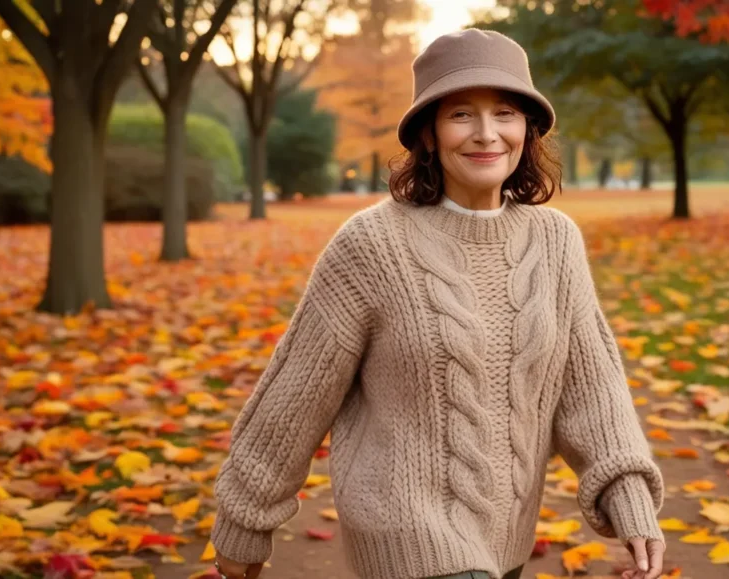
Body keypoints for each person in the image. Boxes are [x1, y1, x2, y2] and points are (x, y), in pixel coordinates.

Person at [211, 29, 666, 579]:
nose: (485, 133)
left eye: (504, 112)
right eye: (460, 115)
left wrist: (629, 497)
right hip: (403, 531)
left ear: (527, 129)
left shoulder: (555, 242)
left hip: (506, 540)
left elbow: (590, 389)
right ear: (427, 135)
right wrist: (244, 522)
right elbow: (297, 393)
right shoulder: (371, 245)